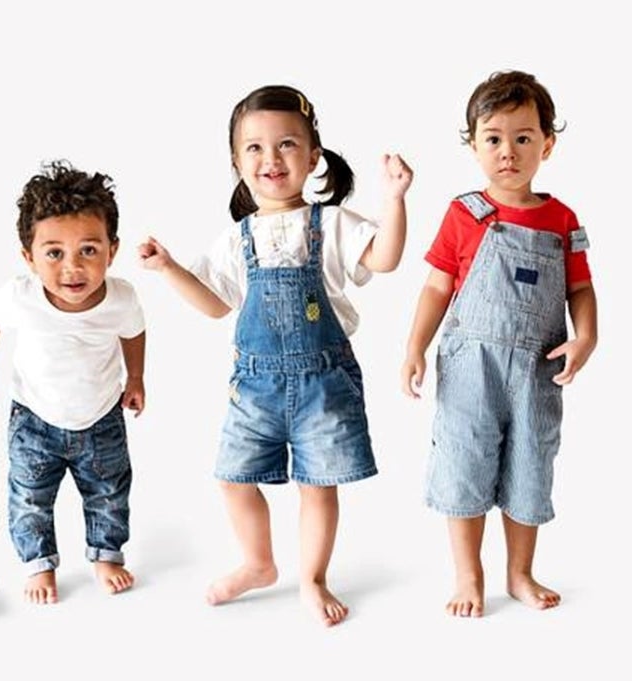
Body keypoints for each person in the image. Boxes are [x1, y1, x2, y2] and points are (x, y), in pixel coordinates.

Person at [139, 85, 412, 626]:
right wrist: (169, 268)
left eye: (287, 144)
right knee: (232, 477)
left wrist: (395, 199)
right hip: (256, 388)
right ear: (237, 162)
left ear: (313, 156)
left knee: (318, 485)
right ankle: (259, 563)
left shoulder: (332, 223)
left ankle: (312, 578)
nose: (271, 159)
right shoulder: (236, 238)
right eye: (256, 148)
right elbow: (216, 306)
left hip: (323, 384)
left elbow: (384, 259)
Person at [401, 70, 597, 618]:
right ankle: (469, 575)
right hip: (472, 367)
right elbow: (437, 285)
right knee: (463, 462)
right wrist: (415, 346)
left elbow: (581, 289)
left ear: (547, 144)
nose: (507, 151)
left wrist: (587, 337)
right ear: (473, 144)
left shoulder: (563, 220)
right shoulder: (466, 213)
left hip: (539, 367)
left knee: (531, 464)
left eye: (523, 137)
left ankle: (520, 572)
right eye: (493, 138)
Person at [0, 161, 145, 604]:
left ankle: (106, 554)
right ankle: (38, 563)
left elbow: (134, 331)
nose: (72, 268)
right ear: (29, 256)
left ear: (112, 249)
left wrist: (136, 377)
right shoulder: (20, 297)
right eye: (54, 253)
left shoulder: (121, 298)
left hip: (102, 416)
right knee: (29, 495)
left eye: (89, 250)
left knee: (108, 489)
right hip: (34, 419)